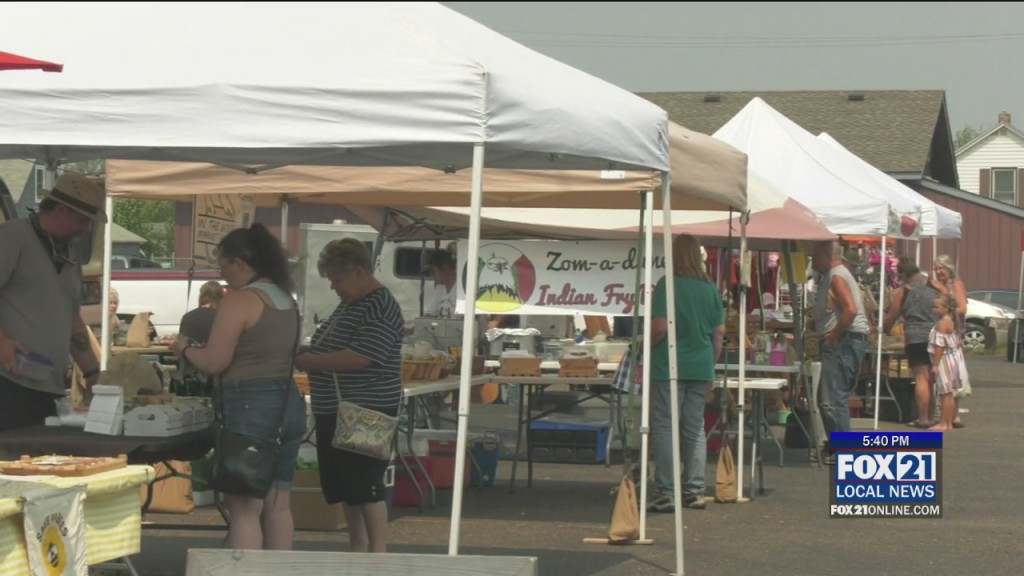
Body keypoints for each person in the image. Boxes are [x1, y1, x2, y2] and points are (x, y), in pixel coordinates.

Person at [170, 223, 305, 551]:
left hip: (250, 407)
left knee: (244, 510)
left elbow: (216, 361)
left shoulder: (242, 301)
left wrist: (184, 347)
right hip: (288, 404)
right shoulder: (286, 299)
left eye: (223, 266)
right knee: (277, 503)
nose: (222, 273)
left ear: (240, 263)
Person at [294, 238, 404, 553]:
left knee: (367, 484)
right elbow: (332, 346)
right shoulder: (350, 303)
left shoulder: (380, 305)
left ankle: (378, 552)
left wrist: (310, 361)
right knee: (345, 486)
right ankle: (358, 545)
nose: (333, 287)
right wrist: (305, 352)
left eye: (337, 279)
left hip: (365, 409)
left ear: (358, 271)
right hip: (337, 408)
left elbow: (362, 356)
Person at [0, 172, 104, 432]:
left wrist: (91, 374)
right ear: (62, 210)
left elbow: (72, 319)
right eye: (82, 220)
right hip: (9, 382)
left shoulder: (67, 255)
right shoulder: (14, 236)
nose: (85, 229)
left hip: (48, 385)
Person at [647, 234, 724, 512]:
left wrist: (644, 345)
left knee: (666, 427)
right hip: (701, 363)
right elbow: (719, 332)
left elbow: (659, 327)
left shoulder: (668, 285)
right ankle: (694, 489)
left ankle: (666, 491)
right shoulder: (709, 288)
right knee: (695, 428)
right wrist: (711, 364)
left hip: (669, 363)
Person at [812, 240, 870, 463]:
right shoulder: (834, 275)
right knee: (826, 397)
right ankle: (836, 444)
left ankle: (844, 450)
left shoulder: (837, 276)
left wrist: (834, 335)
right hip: (844, 340)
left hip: (844, 341)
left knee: (833, 397)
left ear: (828, 256)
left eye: (815, 256)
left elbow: (851, 310)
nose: (813, 261)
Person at [883, 261, 940, 428]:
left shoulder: (903, 291)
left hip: (915, 336)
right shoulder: (935, 287)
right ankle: (931, 416)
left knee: (921, 378)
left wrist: (882, 328)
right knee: (932, 379)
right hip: (935, 335)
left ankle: (922, 418)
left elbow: (892, 316)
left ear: (903, 275)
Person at [930, 255, 969, 428]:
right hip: (946, 329)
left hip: (954, 331)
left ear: (949, 269)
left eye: (941, 268)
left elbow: (962, 307)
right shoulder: (938, 286)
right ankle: (949, 415)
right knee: (951, 377)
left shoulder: (955, 285)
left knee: (952, 376)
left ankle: (953, 416)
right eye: (936, 268)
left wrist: (946, 310)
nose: (939, 272)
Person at [425, 249, 457, 318]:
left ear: (445, 268)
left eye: (433, 271)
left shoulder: (462, 289)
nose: (432, 275)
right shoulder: (439, 289)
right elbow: (430, 314)